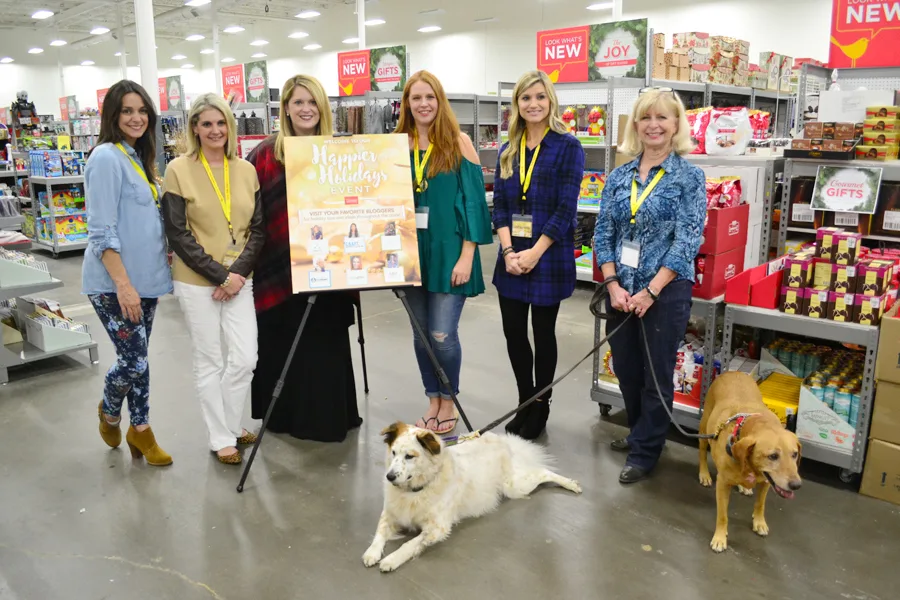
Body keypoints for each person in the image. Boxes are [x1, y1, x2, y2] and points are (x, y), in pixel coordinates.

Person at [593, 87, 706, 484]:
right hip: (621, 290)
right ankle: (640, 430)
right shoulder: (619, 176)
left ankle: (646, 449)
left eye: (662, 117)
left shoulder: (689, 176)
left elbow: (689, 239)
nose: (653, 125)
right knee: (626, 368)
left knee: (657, 373)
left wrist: (652, 290)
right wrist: (612, 285)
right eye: (645, 118)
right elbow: (603, 232)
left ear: (676, 124)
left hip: (665, 290)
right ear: (635, 125)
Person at [246, 74, 362, 443]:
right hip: (276, 268)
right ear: (286, 109)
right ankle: (282, 419)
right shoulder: (265, 153)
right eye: (298, 102)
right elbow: (249, 209)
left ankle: (325, 420)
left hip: (328, 268)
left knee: (322, 344)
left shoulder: (341, 152)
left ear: (322, 108)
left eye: (312, 102)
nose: (306, 109)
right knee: (281, 343)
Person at [161, 93, 265, 465]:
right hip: (196, 281)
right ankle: (222, 436)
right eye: (206, 124)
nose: (215, 130)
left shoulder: (246, 170)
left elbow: (258, 230)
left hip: (239, 278)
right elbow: (177, 233)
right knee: (209, 361)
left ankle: (231, 422)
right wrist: (220, 276)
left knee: (245, 358)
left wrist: (235, 275)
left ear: (230, 126)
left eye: (221, 123)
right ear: (195, 128)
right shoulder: (178, 170)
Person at [395, 70, 493, 434]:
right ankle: (432, 398)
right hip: (409, 253)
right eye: (416, 98)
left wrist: (468, 255)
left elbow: (473, 203)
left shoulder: (458, 142)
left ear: (440, 101)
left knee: (441, 334)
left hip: (450, 251)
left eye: (429, 97)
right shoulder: (395, 144)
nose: (423, 104)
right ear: (406, 103)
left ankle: (448, 400)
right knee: (420, 334)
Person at [82, 80, 173, 466]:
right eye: (127, 111)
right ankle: (109, 411)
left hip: (147, 280)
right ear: (112, 116)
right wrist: (123, 285)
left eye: (141, 111)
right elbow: (101, 230)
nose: (136, 118)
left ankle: (140, 431)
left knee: (139, 359)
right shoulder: (105, 157)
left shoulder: (136, 156)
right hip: (115, 284)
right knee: (133, 361)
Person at [491, 70, 585, 441]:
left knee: (543, 333)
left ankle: (542, 406)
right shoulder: (508, 148)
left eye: (540, 97)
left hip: (548, 255)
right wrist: (510, 250)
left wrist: (535, 251)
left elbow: (566, 208)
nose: (533, 104)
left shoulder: (567, 146)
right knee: (514, 333)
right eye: (525, 98)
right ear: (517, 104)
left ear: (551, 101)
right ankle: (524, 402)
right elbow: (499, 204)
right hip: (512, 256)